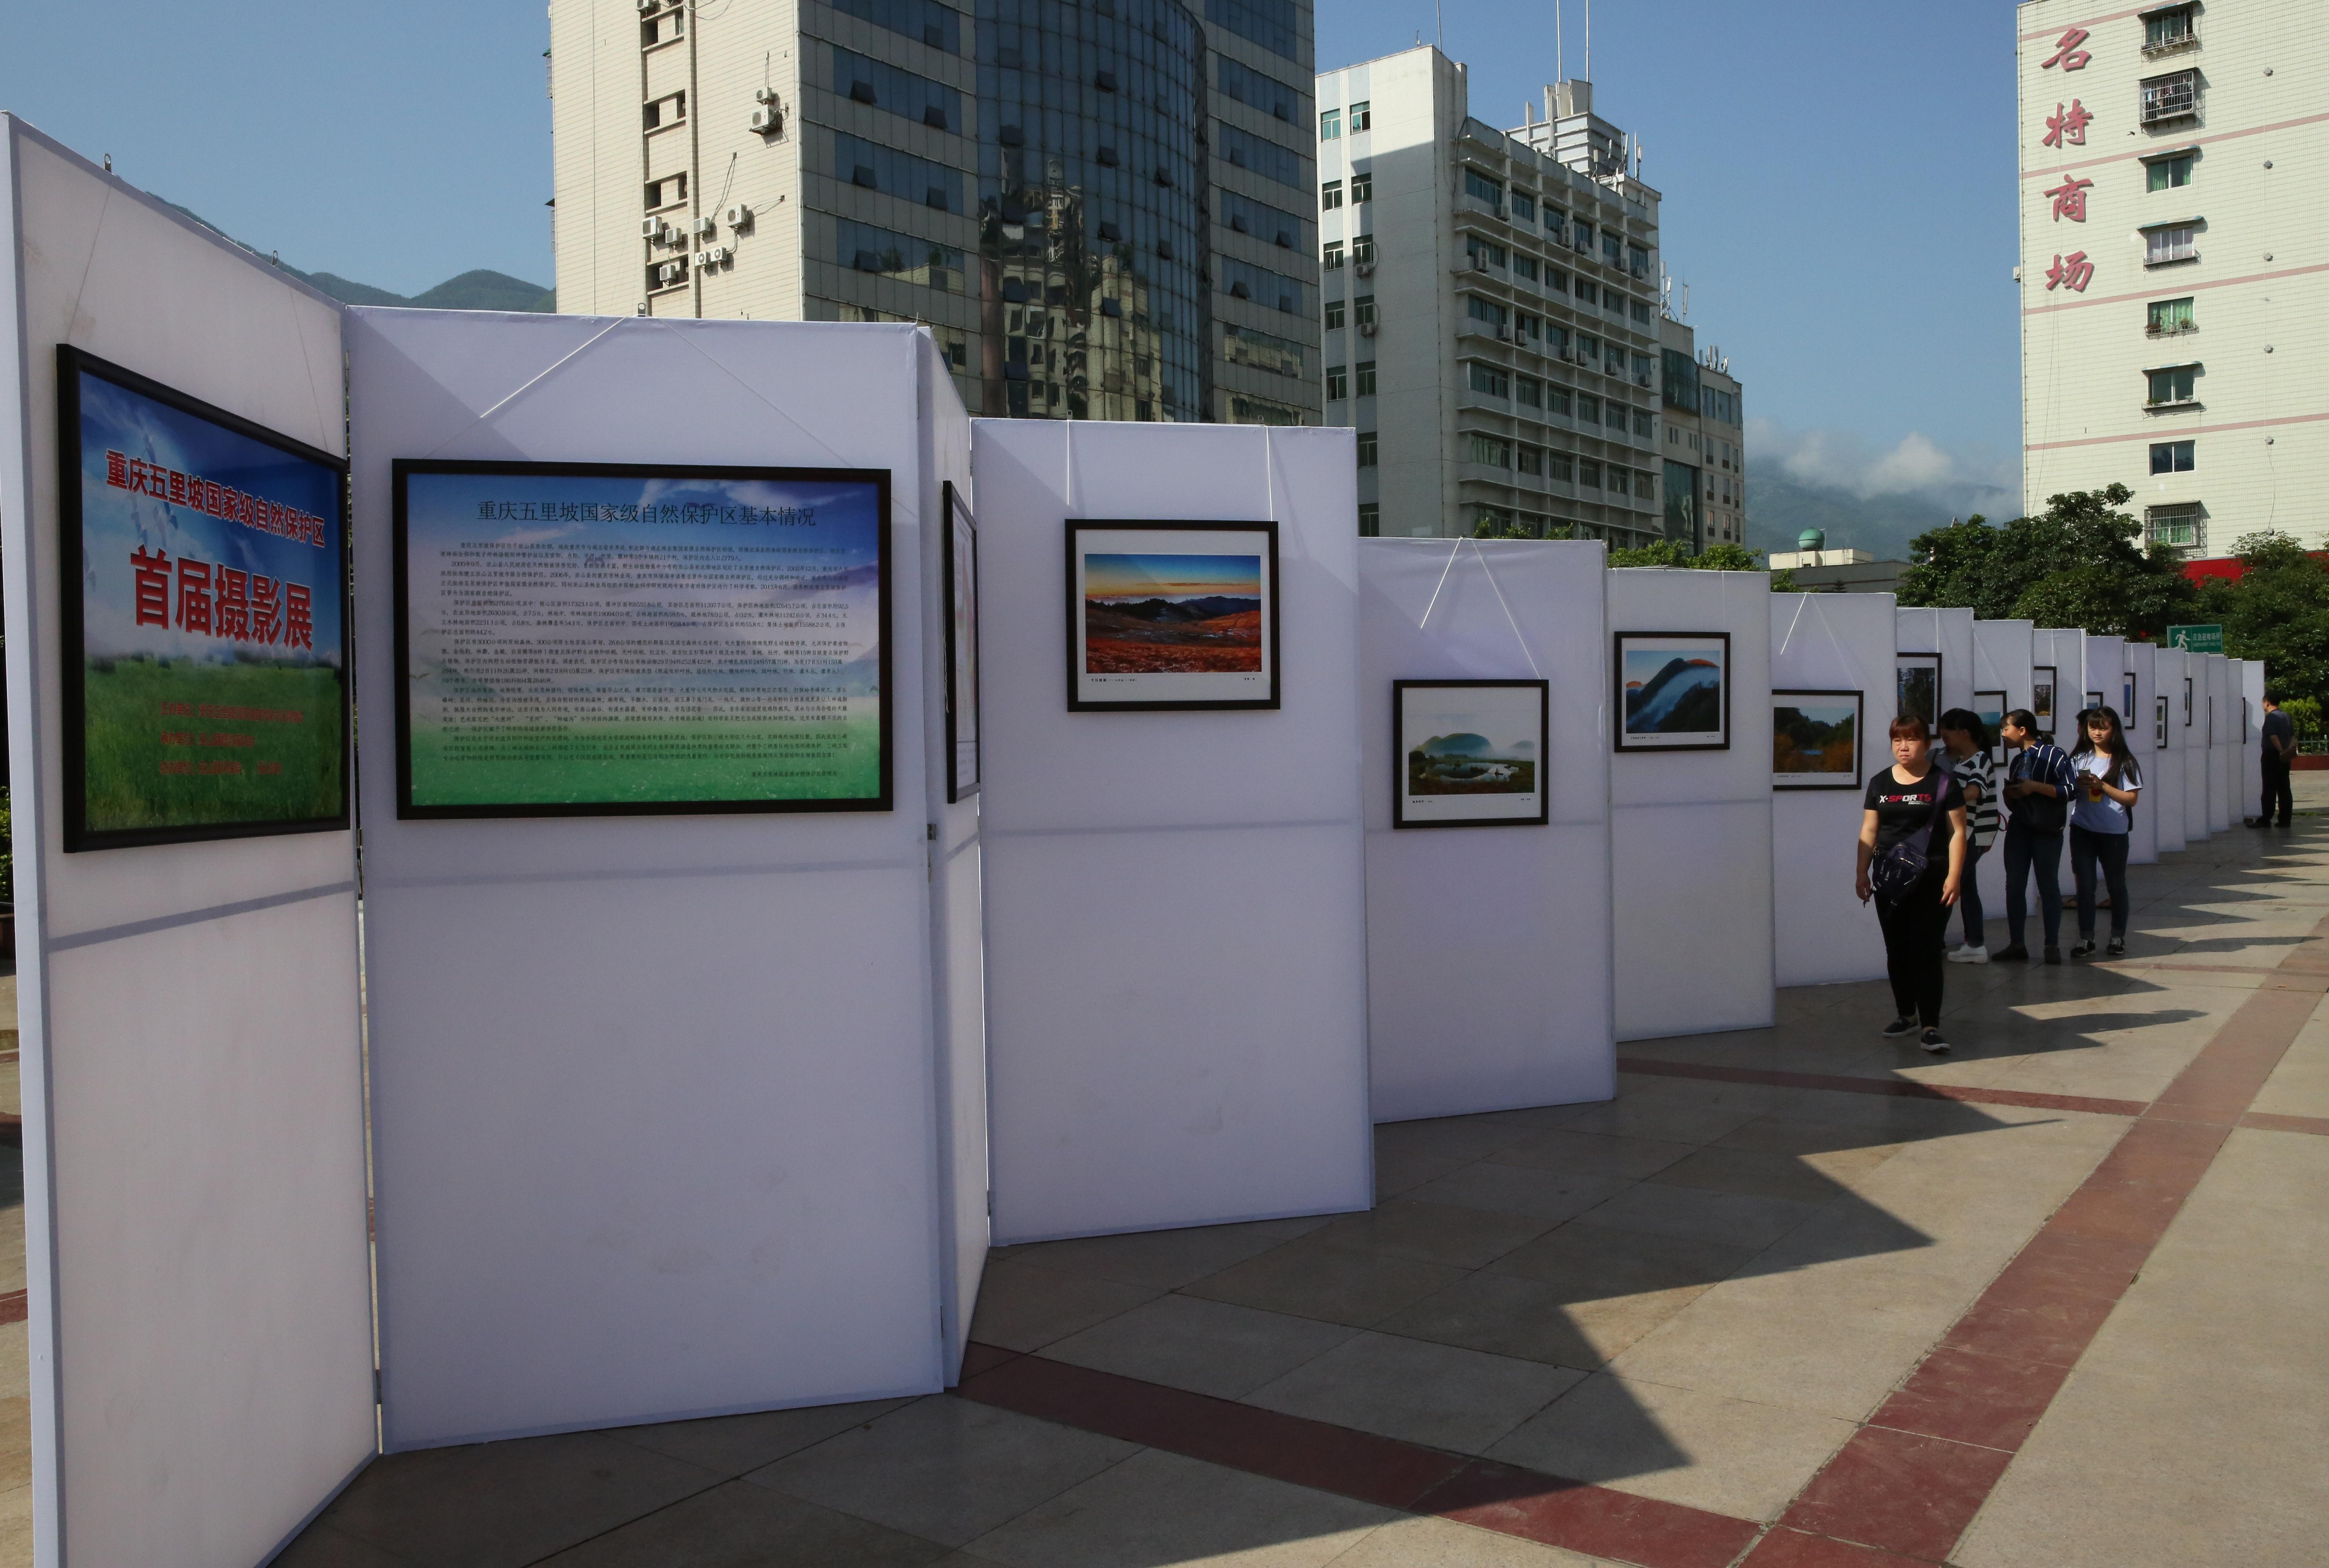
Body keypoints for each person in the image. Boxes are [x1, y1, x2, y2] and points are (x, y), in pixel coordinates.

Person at [1857, 716, 1968, 1052]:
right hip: (1890, 881)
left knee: (1926, 950)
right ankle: (1906, 1014)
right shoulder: (1879, 783)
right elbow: (1869, 831)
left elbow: (1958, 833)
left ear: (1926, 743)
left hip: (1932, 879)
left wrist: (1954, 876)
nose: (1903, 747)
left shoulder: (1944, 783)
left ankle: (1931, 1025)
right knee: (1897, 950)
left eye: (1910, 740)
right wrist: (1861, 872)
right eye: (1896, 741)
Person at [1997, 708, 2074, 963]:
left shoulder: (2055, 754)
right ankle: (2017, 944)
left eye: (2006, 729)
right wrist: (2012, 795)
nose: (2003, 735)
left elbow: (2070, 789)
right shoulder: (2018, 760)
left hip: (2047, 831)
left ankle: (2052, 945)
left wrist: (2034, 788)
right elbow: (2017, 801)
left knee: (2048, 885)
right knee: (2015, 885)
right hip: (2020, 828)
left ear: (2022, 730)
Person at [2068, 706, 2143, 958]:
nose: (2097, 732)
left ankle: (2117, 936)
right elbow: (2068, 790)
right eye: (2092, 727)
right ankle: (2086, 938)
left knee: (2115, 886)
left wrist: (2103, 786)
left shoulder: (2125, 761)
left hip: (2113, 833)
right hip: (2082, 829)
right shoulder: (2079, 758)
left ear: (2114, 730)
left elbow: (2131, 799)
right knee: (2085, 887)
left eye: (2103, 727)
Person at [1937, 709, 1999, 962]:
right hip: (1968, 834)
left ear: (1964, 733)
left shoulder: (1979, 759)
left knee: (1950, 886)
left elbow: (1974, 791)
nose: (1944, 737)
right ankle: (1975, 943)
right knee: (1967, 888)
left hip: (1972, 834)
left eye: (1948, 732)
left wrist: (1940, 802)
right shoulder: (1965, 760)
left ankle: (1935, 940)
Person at [2259, 693, 2295, 827]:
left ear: (2267, 703)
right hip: (2285, 757)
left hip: (2272, 755)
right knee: (2284, 787)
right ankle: (2285, 819)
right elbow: (2293, 736)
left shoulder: (2271, 718)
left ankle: (2266, 817)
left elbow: (2273, 737)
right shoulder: (2286, 717)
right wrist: (2287, 751)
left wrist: (2281, 751)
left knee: (2269, 787)